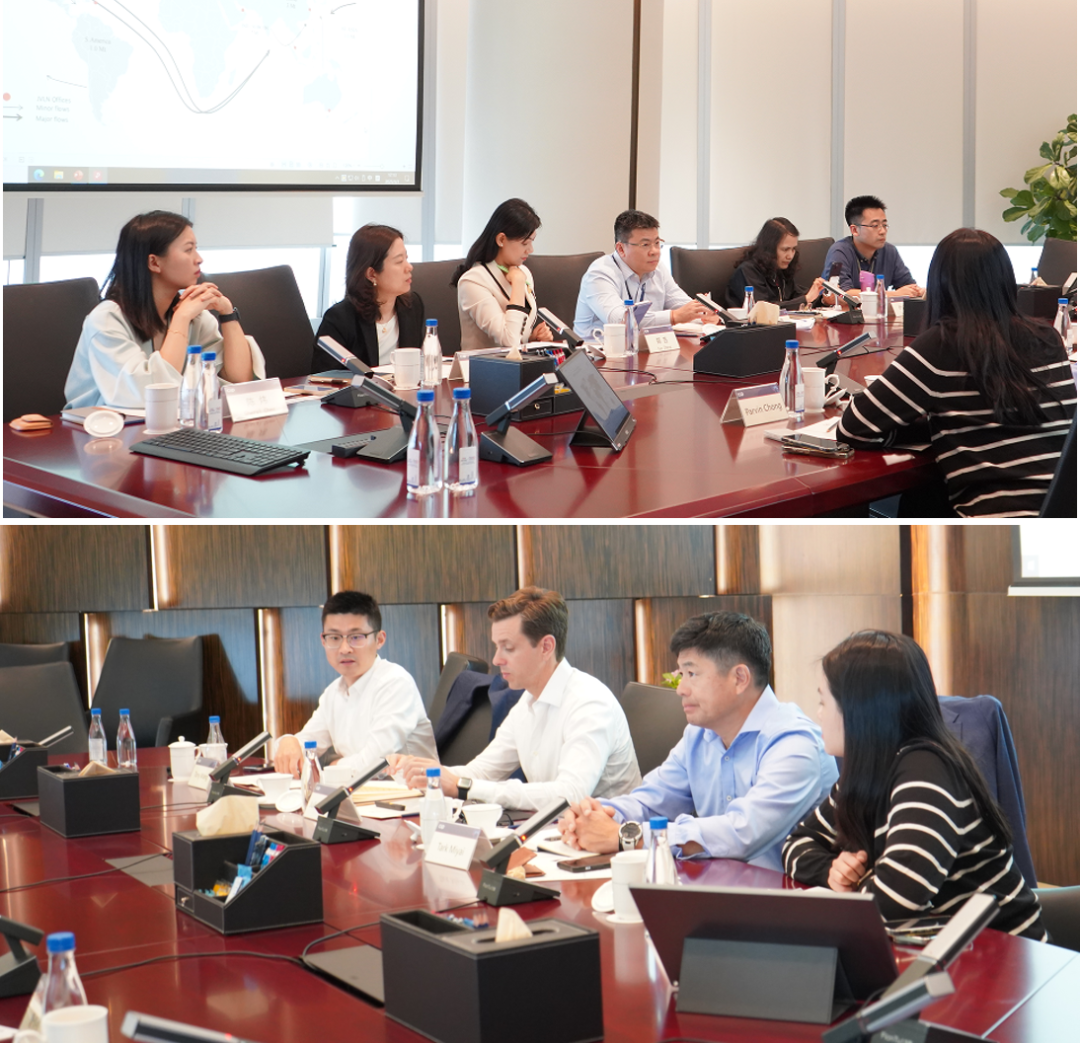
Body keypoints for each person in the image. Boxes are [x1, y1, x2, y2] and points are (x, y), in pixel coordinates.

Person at [783, 631, 1046, 941]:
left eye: (823, 701)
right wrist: (833, 871)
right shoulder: (869, 771)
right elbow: (796, 844)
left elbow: (896, 900)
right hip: (945, 949)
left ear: (859, 711)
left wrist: (854, 882)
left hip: (1005, 955)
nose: (818, 714)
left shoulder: (926, 770)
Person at [559, 612, 837, 870]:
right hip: (718, 889)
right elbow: (651, 802)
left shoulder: (795, 743)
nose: (681, 689)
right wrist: (595, 815)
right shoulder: (699, 735)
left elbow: (742, 832)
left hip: (786, 897)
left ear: (739, 678)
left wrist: (627, 836)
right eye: (681, 674)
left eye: (692, 674)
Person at [837, 228, 1076, 518]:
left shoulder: (941, 345)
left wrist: (933, 429)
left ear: (940, 285)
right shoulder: (1048, 338)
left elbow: (853, 427)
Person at [390, 586, 641, 811]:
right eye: (496, 646)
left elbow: (569, 795)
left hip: (608, 840)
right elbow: (482, 772)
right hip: (558, 833)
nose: (497, 659)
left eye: (508, 647)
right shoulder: (528, 701)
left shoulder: (589, 702)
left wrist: (462, 786)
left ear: (546, 647)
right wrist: (426, 773)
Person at [64, 210, 265, 410]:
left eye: (196, 249)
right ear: (154, 262)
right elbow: (149, 394)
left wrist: (227, 313)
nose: (199, 259)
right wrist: (181, 319)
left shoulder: (194, 316)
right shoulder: (107, 319)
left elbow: (240, 380)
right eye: (188, 250)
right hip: (100, 426)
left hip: (170, 424)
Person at [272, 590, 436, 778]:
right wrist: (290, 742)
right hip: (358, 792)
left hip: (409, 792)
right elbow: (308, 743)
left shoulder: (395, 683)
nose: (344, 649)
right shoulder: (334, 692)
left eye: (356, 637)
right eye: (334, 638)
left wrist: (331, 767)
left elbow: (374, 764)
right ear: (323, 641)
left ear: (379, 639)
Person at [573, 209, 716, 338]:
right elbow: (620, 320)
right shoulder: (600, 273)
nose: (655, 251)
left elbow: (681, 305)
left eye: (657, 243)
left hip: (643, 350)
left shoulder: (658, 269)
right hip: (599, 353)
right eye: (645, 245)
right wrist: (673, 317)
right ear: (621, 249)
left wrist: (704, 313)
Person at [311, 224, 424, 373]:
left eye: (406, 259)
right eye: (399, 261)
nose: (409, 267)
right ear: (372, 274)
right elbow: (323, 377)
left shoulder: (412, 306)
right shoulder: (340, 319)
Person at [453, 198, 554, 352]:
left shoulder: (523, 272)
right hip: (481, 366)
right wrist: (518, 284)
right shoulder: (472, 281)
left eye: (531, 242)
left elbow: (517, 336)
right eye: (525, 243)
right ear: (501, 239)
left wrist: (531, 339)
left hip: (518, 363)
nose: (530, 250)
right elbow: (509, 340)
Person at [819, 195, 923, 297]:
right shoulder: (840, 251)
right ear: (855, 230)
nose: (882, 231)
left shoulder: (889, 251)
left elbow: (908, 286)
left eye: (884, 225)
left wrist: (919, 292)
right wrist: (893, 294)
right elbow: (836, 294)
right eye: (875, 226)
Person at [727, 217, 832, 309]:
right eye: (785, 249)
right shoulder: (748, 271)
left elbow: (796, 296)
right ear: (770, 249)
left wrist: (824, 300)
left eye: (793, 249)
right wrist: (806, 299)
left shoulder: (779, 269)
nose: (790, 256)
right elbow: (763, 309)